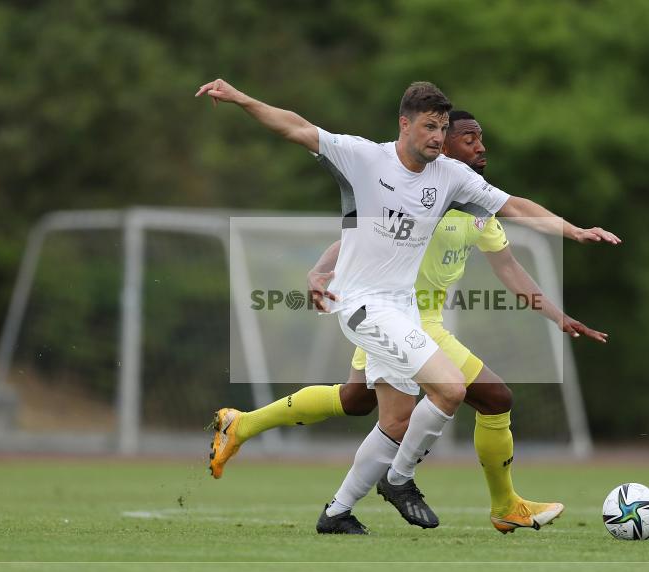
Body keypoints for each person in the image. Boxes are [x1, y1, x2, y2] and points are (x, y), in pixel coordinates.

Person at [196, 79, 618, 536]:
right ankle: (400, 480)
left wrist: (573, 231)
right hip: (363, 306)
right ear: (405, 124)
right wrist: (241, 99)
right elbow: (295, 127)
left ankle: (336, 513)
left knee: (392, 418)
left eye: (442, 128)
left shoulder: (453, 179)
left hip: (403, 314)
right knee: (452, 390)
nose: (438, 136)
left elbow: (514, 206)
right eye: (430, 126)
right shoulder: (363, 157)